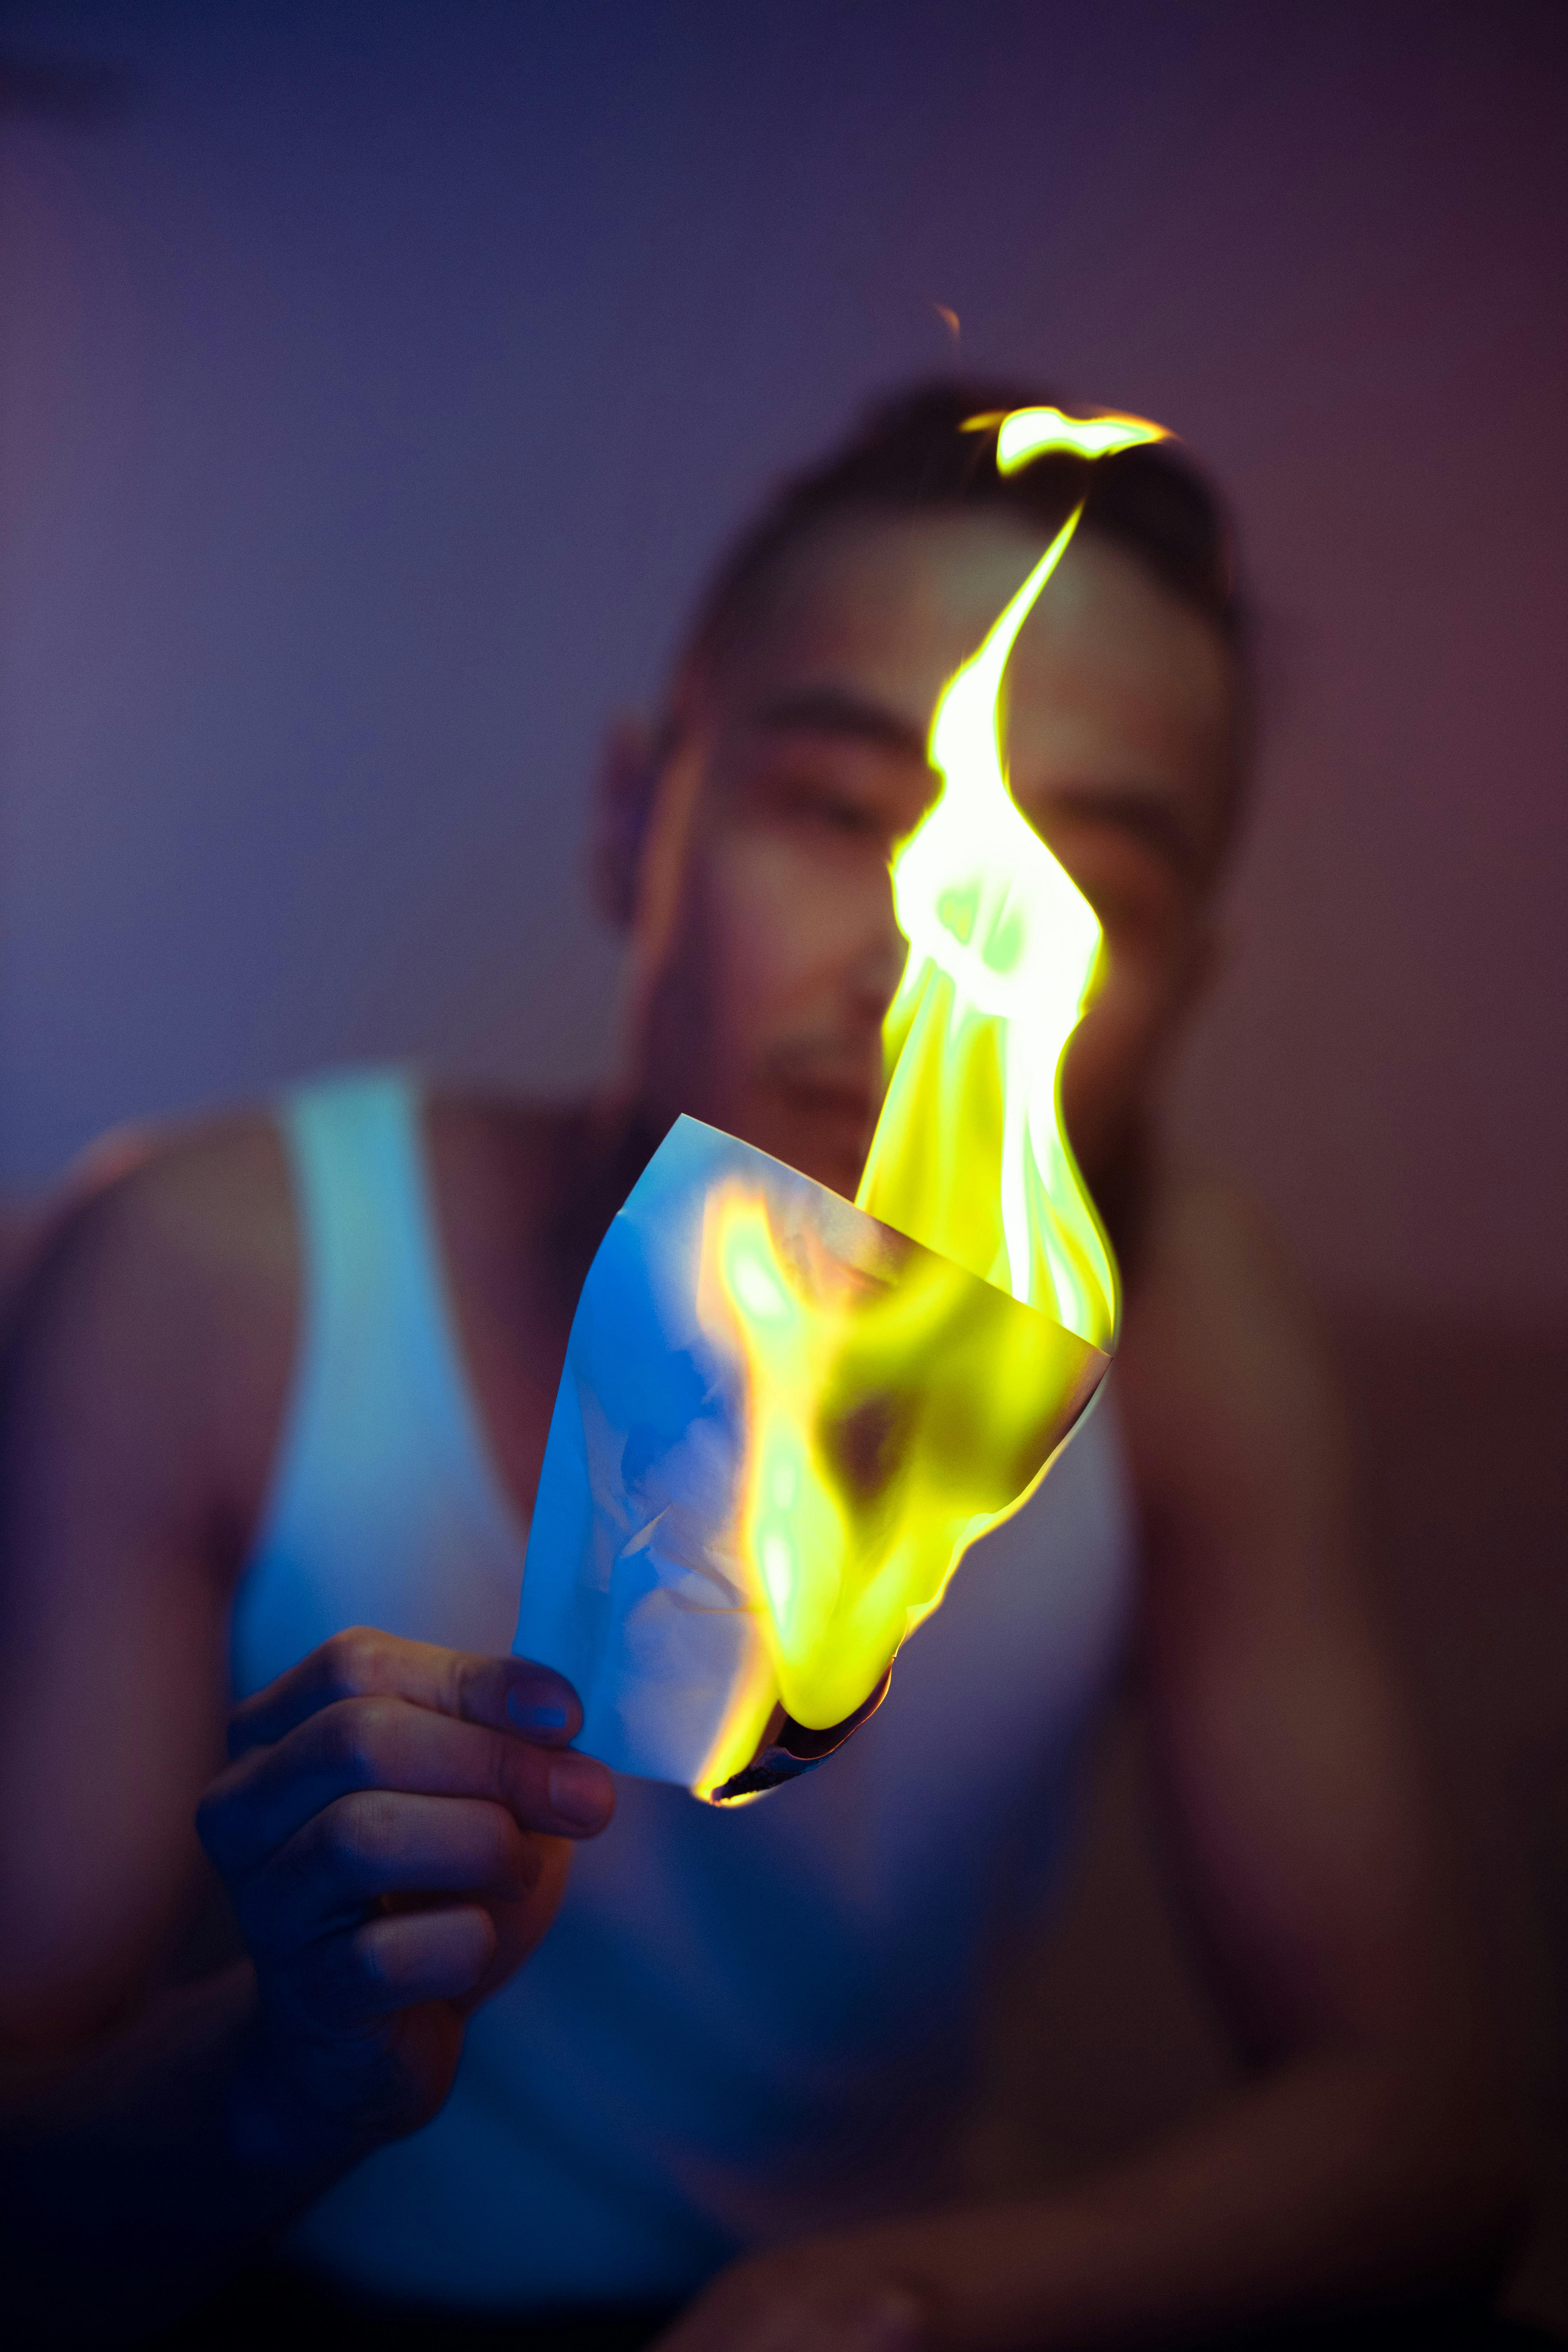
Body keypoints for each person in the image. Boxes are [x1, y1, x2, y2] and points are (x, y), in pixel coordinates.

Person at [0, 382, 1522, 2349]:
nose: (925, 975)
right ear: (643, 816)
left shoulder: (1182, 1325)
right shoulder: (216, 1279)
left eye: (1077, 903)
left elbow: (1432, 2130)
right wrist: (282, 2079)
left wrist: (886, 2300)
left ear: (1180, 995)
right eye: (842, 813)